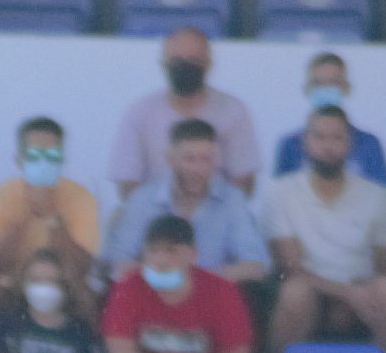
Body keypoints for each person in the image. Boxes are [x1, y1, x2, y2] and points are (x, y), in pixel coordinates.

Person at [261, 103, 386, 353]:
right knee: (296, 293)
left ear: (350, 143)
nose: (328, 146)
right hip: (311, 290)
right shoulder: (280, 193)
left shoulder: (377, 196)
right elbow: (289, 267)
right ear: (305, 142)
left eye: (337, 137)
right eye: (319, 137)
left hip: (363, 289)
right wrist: (346, 294)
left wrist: (358, 294)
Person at [97, 215, 261, 353]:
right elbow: (120, 352)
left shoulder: (221, 290)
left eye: (170, 251)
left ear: (192, 254)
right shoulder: (128, 287)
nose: (160, 259)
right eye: (153, 251)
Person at [100, 114, 271, 291]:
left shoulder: (232, 200)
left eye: (206, 159)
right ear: (171, 159)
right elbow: (118, 262)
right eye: (190, 159)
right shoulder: (144, 198)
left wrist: (192, 283)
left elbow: (256, 265)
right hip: (152, 293)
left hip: (211, 295)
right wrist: (167, 280)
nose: (198, 169)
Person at [106, 29, 258, 200]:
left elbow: (244, 180)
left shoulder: (233, 110)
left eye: (194, 60)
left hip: (219, 217)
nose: (185, 67)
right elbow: (127, 183)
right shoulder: (139, 113)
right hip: (154, 219)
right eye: (176, 61)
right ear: (163, 64)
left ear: (208, 64)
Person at [0, 115, 100, 305]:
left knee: (86, 295)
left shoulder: (81, 197)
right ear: (19, 160)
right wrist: (23, 219)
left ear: (62, 160)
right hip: (11, 285)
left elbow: (82, 268)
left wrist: (53, 219)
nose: (43, 163)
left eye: (51, 156)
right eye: (33, 156)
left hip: (59, 286)